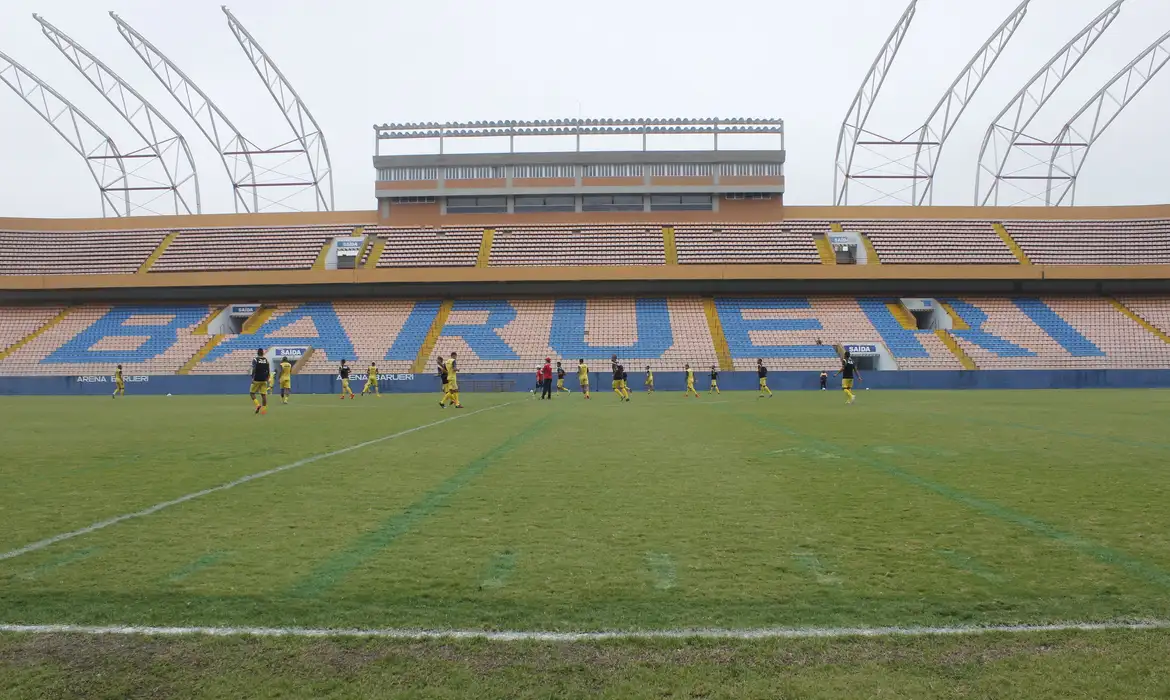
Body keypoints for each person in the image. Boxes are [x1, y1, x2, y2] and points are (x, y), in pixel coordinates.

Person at [250, 348, 270, 415]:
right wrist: (267, 377)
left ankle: (258, 405)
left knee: (252, 393)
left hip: (257, 379)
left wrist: (252, 377)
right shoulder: (266, 360)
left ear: (257, 353)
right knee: (263, 395)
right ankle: (264, 411)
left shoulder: (255, 360)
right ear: (263, 353)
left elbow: (254, 369)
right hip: (264, 379)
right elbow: (268, 370)